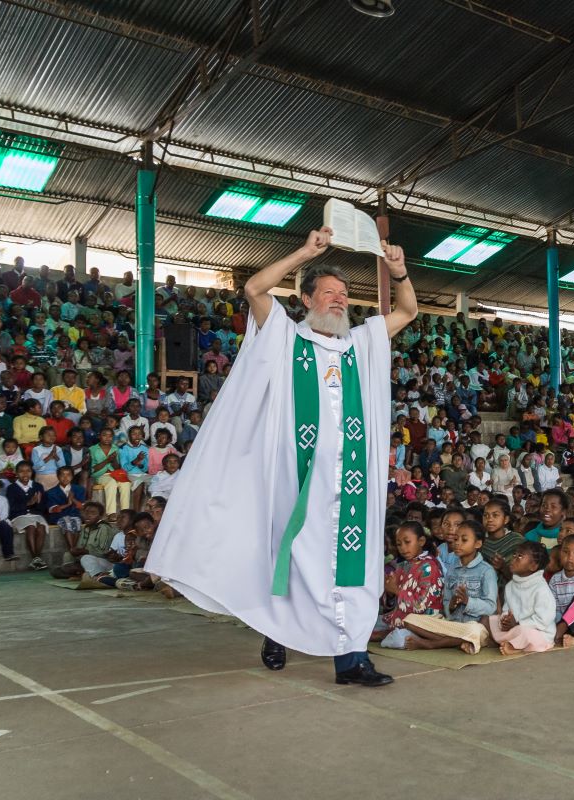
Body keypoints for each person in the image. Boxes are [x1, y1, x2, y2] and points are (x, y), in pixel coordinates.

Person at [148, 226, 417, 687]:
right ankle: (277, 630)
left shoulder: (362, 343)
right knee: (292, 559)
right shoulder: (286, 338)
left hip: (352, 481)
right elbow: (254, 289)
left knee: (354, 564)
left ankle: (351, 660)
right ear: (306, 299)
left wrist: (399, 272)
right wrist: (305, 252)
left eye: (344, 294)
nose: (339, 300)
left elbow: (408, 310)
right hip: (297, 478)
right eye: (329, 293)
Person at [402, 519, 497, 653]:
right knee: (410, 619)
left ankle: (431, 644)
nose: (457, 543)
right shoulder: (452, 570)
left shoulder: (486, 571)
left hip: (474, 626)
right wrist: (451, 605)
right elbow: (446, 602)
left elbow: (491, 607)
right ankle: (459, 642)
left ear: (478, 543)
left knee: (475, 630)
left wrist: (468, 601)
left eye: (464, 540)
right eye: (456, 539)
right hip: (452, 625)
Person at [376, 522, 443, 647]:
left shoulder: (429, 567)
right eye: (399, 544)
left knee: (399, 639)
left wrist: (396, 590)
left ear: (421, 541)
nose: (402, 548)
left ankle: (384, 634)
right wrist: (389, 591)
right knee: (366, 623)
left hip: (422, 621)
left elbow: (420, 605)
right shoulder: (403, 565)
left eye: (407, 542)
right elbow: (391, 604)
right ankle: (386, 633)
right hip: (399, 616)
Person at [487, 541, 557, 655]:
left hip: (539, 634)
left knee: (524, 632)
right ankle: (512, 641)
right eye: (514, 554)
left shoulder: (541, 589)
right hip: (515, 628)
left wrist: (518, 623)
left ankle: (513, 646)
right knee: (491, 620)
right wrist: (505, 620)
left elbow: (543, 620)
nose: (513, 559)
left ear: (533, 566)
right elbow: (506, 610)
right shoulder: (510, 586)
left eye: (520, 556)